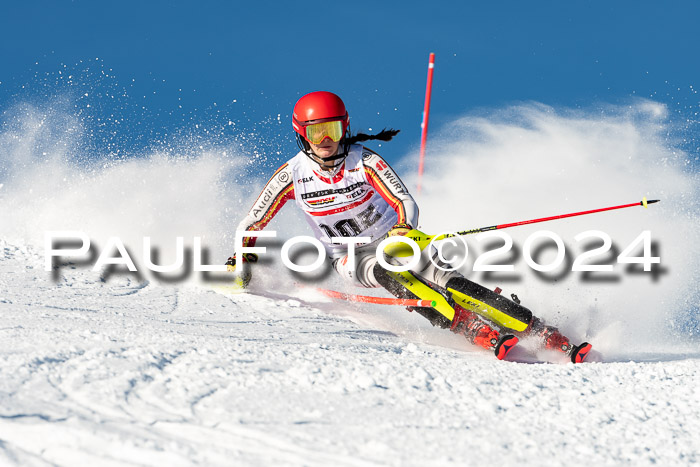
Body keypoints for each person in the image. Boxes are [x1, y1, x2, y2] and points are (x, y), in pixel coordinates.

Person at [227, 91, 591, 363]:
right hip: (350, 257)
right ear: (302, 133)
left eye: (334, 130)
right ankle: (473, 329)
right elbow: (252, 222)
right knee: (393, 273)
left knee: (454, 283)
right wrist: (242, 262)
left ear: (345, 126)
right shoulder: (293, 176)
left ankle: (543, 332)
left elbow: (404, 202)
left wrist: (403, 229)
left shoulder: (365, 161)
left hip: (396, 238)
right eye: (318, 131)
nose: (328, 141)